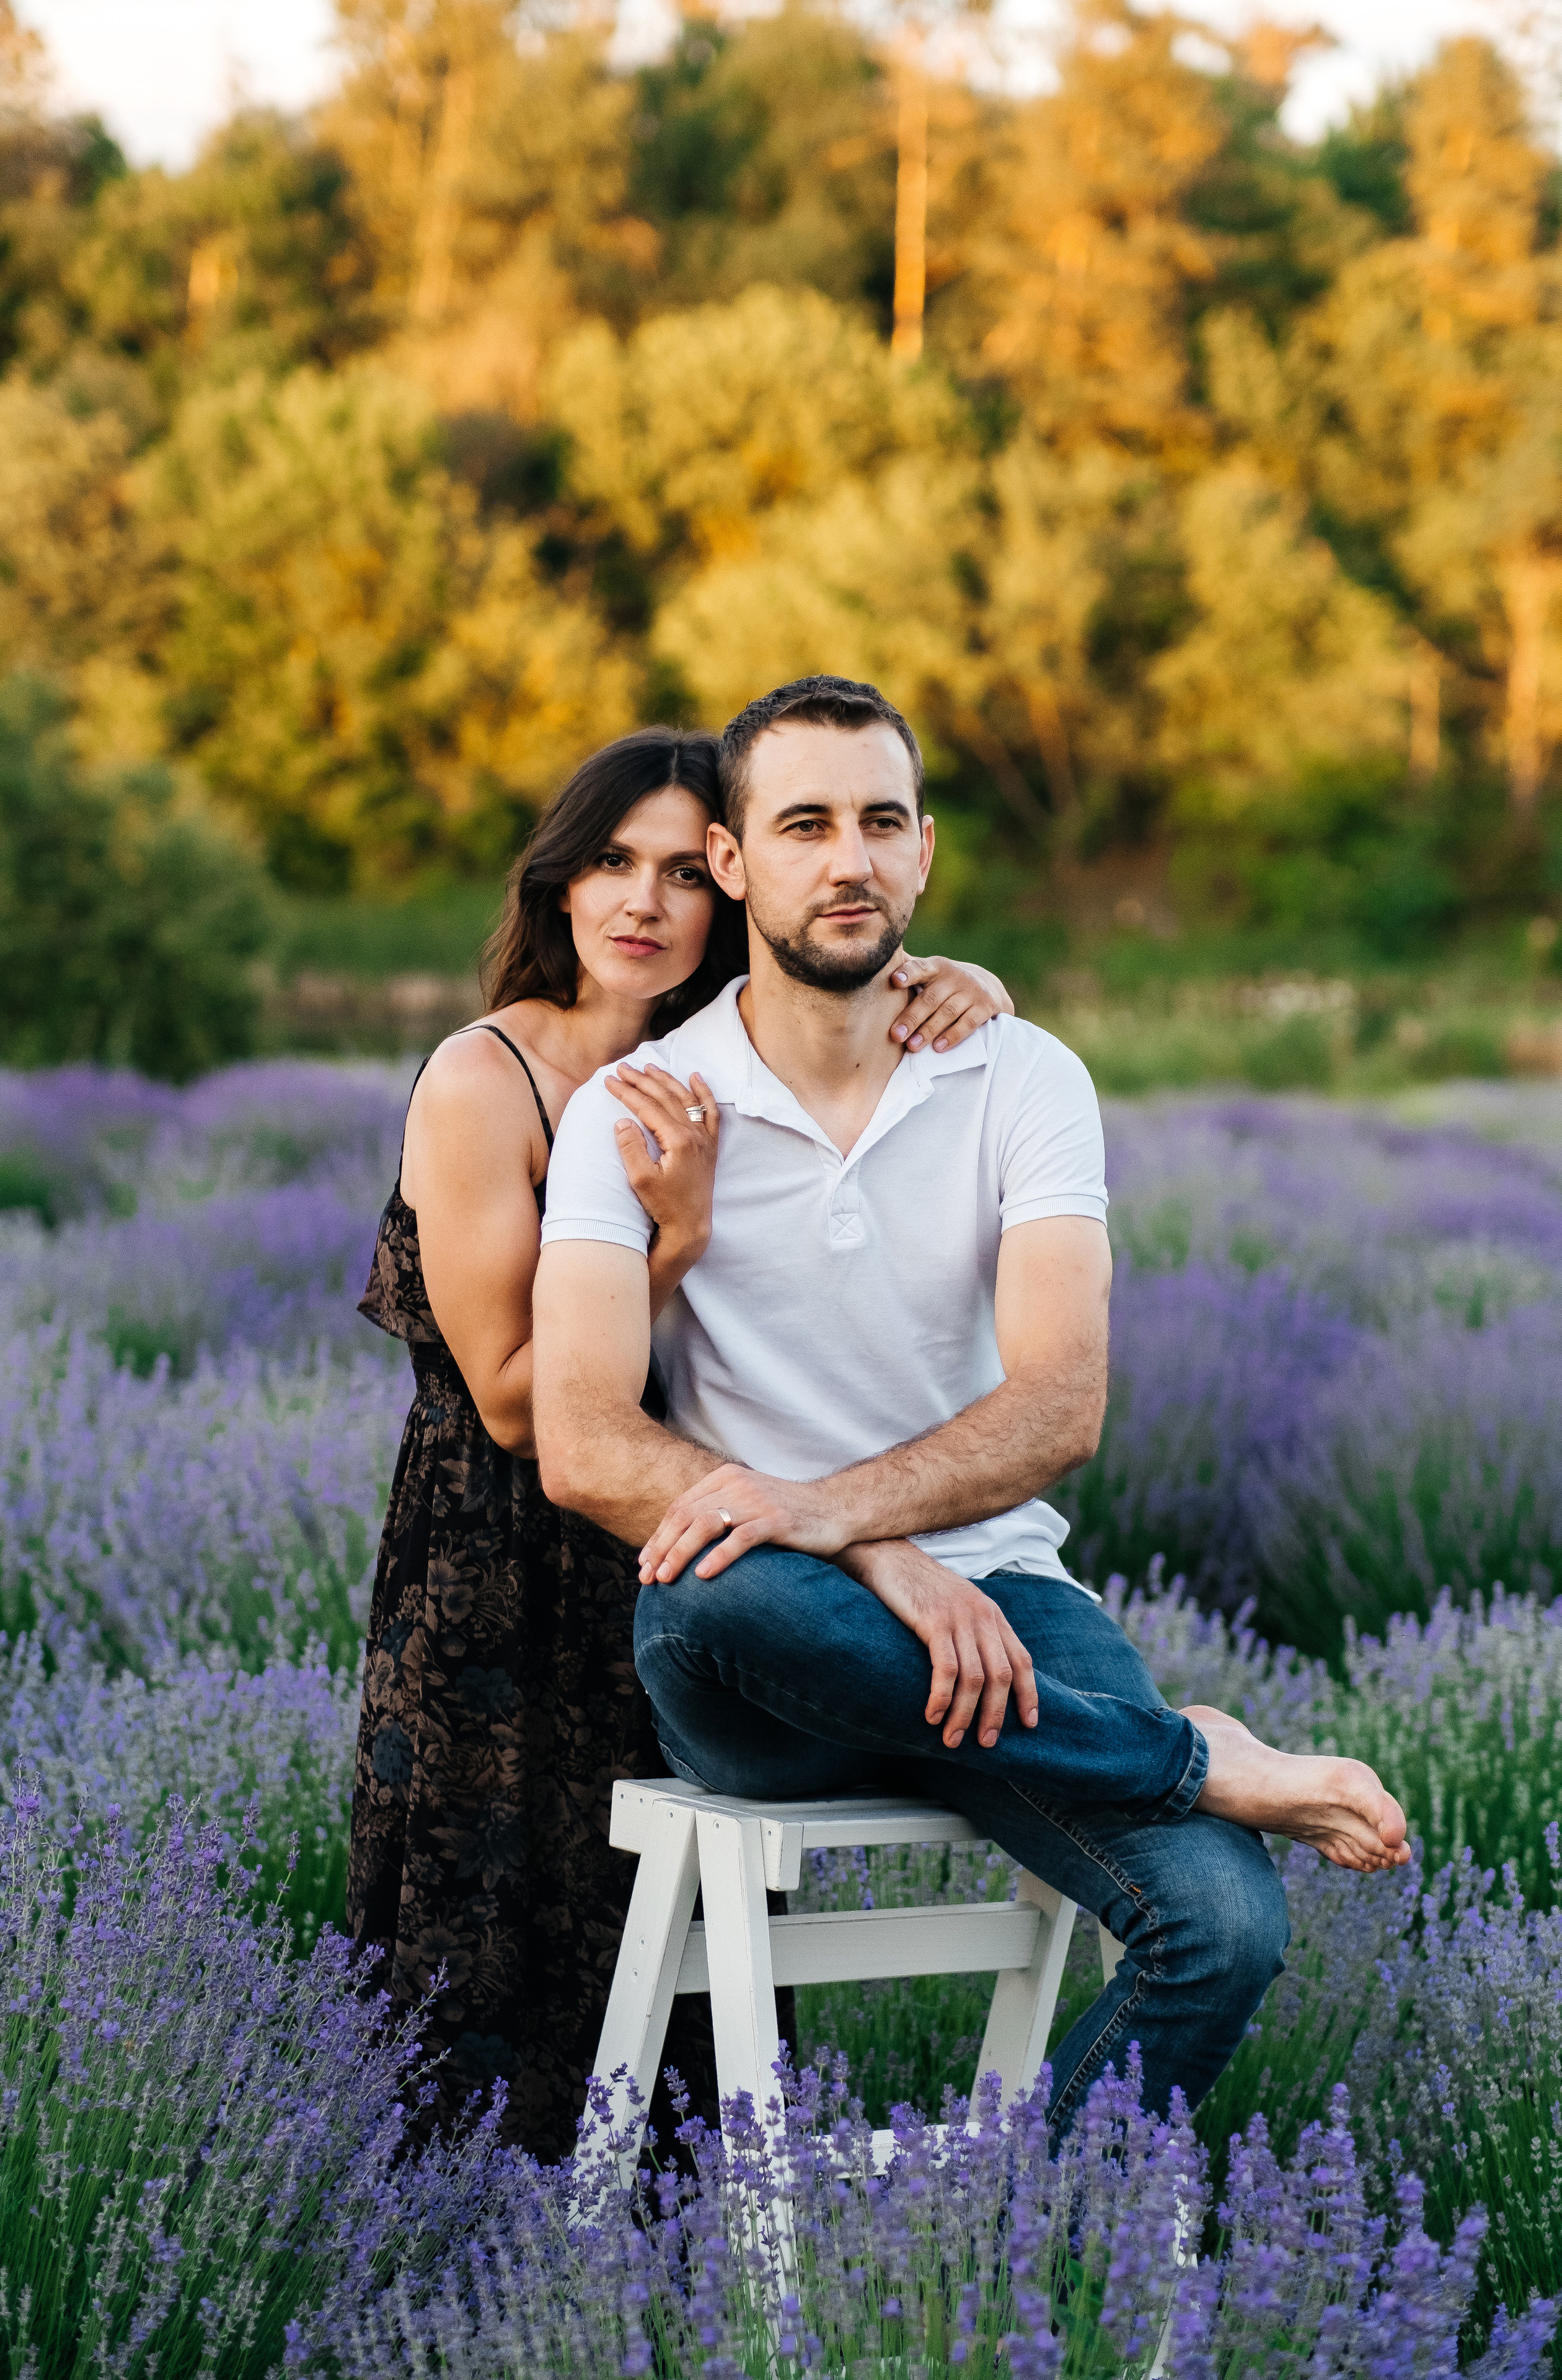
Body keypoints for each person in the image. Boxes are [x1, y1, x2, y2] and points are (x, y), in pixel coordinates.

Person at [532, 676, 1411, 2136]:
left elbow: (1059, 1404)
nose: (848, 859)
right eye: (804, 824)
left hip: (998, 1599)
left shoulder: (1024, 1077)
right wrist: (860, 1548)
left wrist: (832, 1504)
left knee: (1224, 1932)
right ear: (737, 862)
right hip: (768, 1652)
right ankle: (1193, 1754)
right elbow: (580, 1440)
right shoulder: (637, 1107)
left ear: (924, 852)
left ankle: (1017, 2259)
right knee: (714, 1593)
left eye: (880, 822)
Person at [346, 721, 1015, 2159]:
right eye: (606, 862)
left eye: (675, 871)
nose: (641, 903)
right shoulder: (488, 1084)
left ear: (725, 884)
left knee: (686, 1959)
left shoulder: (723, 1060)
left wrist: (968, 987)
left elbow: (875, 965)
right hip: (504, 1578)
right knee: (497, 1943)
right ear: (556, 887)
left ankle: (673, 2267)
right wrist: (679, 1238)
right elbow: (522, 1405)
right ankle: (452, 2274)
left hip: (691, 1544)